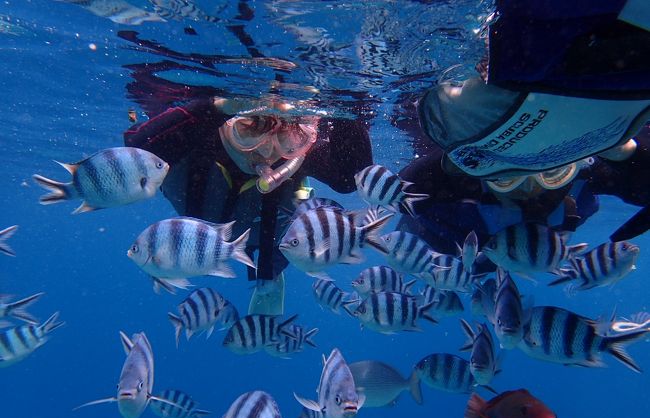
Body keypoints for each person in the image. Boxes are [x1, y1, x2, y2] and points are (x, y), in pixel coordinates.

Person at [412, 0, 650, 243]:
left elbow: (409, 184)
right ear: (580, 161)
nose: (529, 186)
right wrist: (619, 149)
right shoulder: (593, 176)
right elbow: (644, 188)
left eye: (505, 177)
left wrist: (460, 160)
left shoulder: (459, 191)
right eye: (555, 169)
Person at [124, 96, 373, 315]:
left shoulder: (295, 157)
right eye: (251, 127)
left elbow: (352, 179)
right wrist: (215, 107)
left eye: (288, 137)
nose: (266, 152)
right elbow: (135, 150)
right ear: (228, 122)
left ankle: (271, 272)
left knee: (283, 246)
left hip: (278, 238)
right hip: (201, 237)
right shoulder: (198, 134)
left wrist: (342, 105)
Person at [397, 125, 650, 258]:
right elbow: (403, 187)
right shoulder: (464, 180)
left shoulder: (592, 169)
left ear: (578, 163)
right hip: (454, 244)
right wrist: (463, 152)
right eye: (509, 174)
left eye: (552, 170)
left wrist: (622, 151)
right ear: (485, 169)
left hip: (532, 254)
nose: (531, 187)